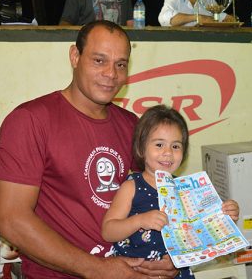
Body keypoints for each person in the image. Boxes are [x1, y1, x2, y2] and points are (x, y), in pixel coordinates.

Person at [0, 20, 178, 279]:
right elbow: (12, 220)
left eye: (120, 64)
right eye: (99, 60)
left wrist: (175, 255)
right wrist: (99, 270)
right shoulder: (30, 120)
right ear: (75, 56)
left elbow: (154, 197)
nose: (111, 74)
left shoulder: (131, 125)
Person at [101, 105, 240, 279]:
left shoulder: (186, 189)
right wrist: (139, 220)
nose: (168, 153)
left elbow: (202, 232)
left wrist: (225, 216)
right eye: (159, 144)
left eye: (175, 146)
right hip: (135, 273)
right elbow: (108, 231)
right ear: (141, 149)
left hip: (178, 274)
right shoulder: (131, 187)